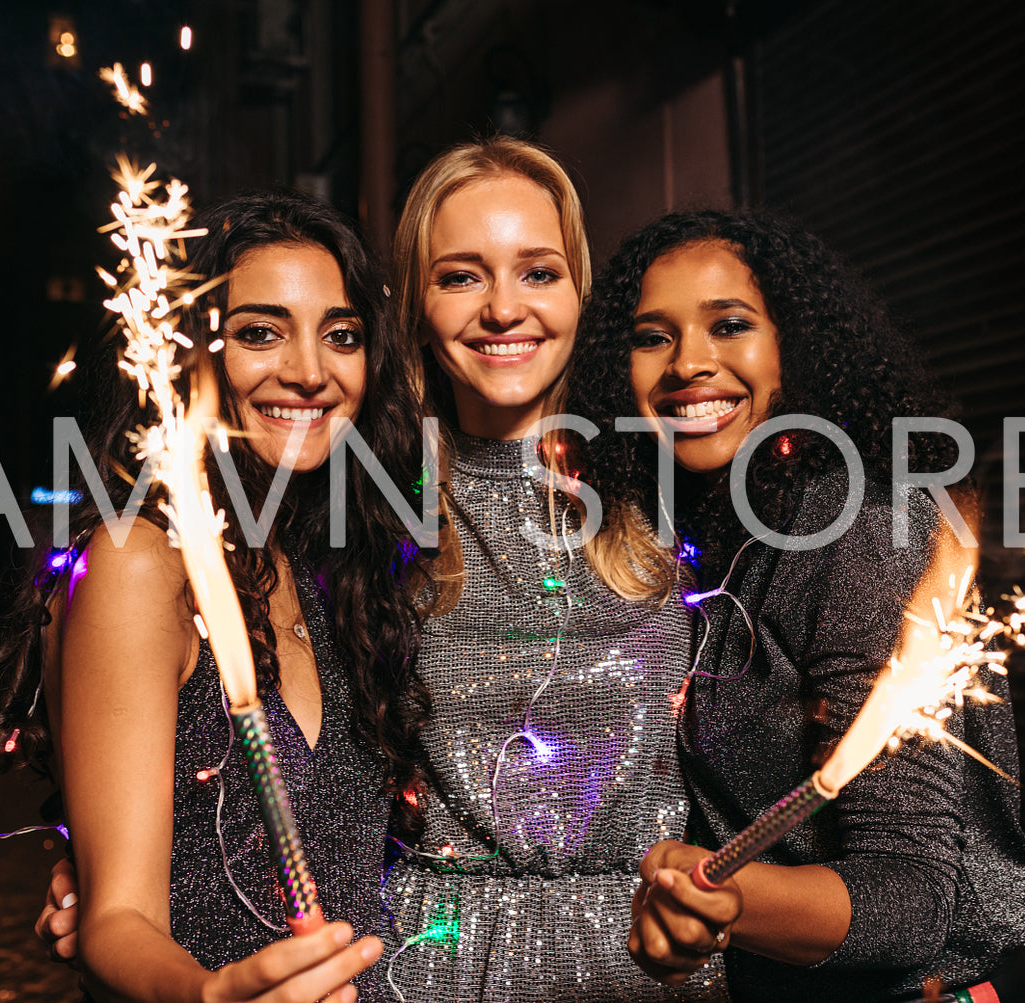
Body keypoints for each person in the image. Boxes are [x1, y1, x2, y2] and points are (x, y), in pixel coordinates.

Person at [570, 209, 1025, 1001]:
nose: (688, 362)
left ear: (792, 347)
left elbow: (910, 902)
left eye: (729, 325)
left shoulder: (856, 527)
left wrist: (726, 901)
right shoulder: (702, 531)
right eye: (651, 336)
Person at [0, 189, 431, 1003]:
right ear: (190, 355)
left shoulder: (332, 568)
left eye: (342, 335)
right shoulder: (140, 559)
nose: (309, 371)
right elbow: (113, 919)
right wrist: (211, 994)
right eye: (259, 331)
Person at [376, 137, 724, 1002]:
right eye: (459, 276)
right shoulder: (367, 513)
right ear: (416, 305)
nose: (503, 308)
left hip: (660, 965)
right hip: (433, 968)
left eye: (537, 272)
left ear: (580, 291)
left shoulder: (676, 482)